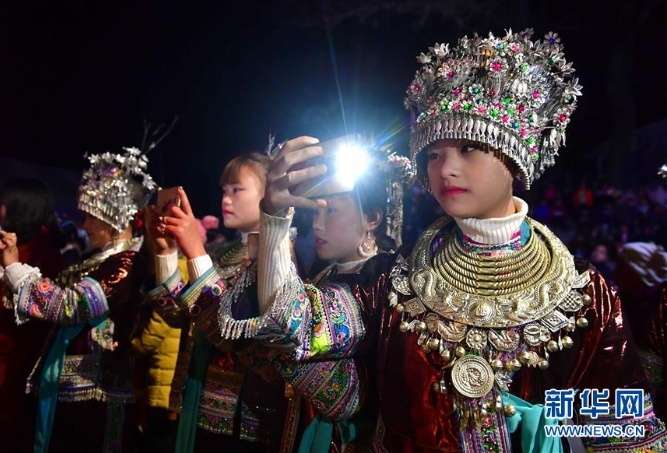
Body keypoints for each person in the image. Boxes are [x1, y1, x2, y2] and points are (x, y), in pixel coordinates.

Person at [186, 29, 667, 451]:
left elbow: (624, 429)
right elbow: (293, 321)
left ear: (515, 159)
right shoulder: (395, 282)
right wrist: (274, 218)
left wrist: (552, 427)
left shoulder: (583, 294)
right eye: (433, 153)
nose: (446, 168)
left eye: (469, 147)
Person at [0, 148, 154, 453]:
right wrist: (8, 272)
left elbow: (72, 306)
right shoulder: (95, 260)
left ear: (110, 215)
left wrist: (16, 269)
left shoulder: (126, 263)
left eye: (89, 216)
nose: (85, 226)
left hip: (96, 391)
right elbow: (52, 297)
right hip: (75, 388)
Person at [149, 151, 294, 452]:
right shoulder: (225, 252)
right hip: (202, 393)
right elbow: (181, 317)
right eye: (224, 191)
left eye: (237, 190)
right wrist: (165, 253)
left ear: (270, 194)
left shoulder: (280, 257)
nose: (226, 200)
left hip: (242, 412)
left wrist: (195, 253)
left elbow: (230, 329)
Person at [0, 178, 66, 453]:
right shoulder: (15, 246)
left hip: (7, 371)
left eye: (3, 204)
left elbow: (15, 318)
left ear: (20, 208)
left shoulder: (38, 253)